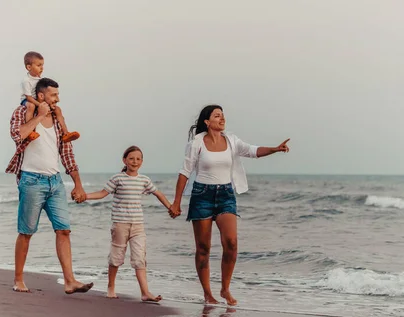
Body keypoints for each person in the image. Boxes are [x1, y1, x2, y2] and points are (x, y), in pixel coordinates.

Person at [169, 105, 290, 306]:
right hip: (202, 195)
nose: (222, 118)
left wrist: (275, 149)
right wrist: (176, 202)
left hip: (226, 195)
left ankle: (225, 288)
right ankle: (208, 293)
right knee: (203, 248)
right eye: (217, 116)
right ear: (207, 121)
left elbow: (252, 151)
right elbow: (185, 172)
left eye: (223, 115)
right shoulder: (196, 143)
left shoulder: (232, 140)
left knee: (231, 243)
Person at [5, 77, 93, 294]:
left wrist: (77, 184)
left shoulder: (57, 117)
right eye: (54, 95)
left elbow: (67, 152)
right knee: (26, 232)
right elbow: (18, 135)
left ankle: (70, 280)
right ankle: (18, 279)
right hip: (31, 180)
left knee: (64, 230)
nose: (58, 99)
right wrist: (40, 115)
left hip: (55, 182)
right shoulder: (22, 111)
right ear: (41, 96)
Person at [83, 146, 171, 302]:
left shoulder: (144, 180)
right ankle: (111, 287)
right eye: (131, 158)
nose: (135, 161)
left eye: (138, 159)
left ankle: (145, 292)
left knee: (139, 259)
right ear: (125, 160)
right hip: (120, 225)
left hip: (138, 226)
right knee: (116, 258)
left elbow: (158, 193)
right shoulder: (118, 178)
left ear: (142, 162)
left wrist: (171, 208)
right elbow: (102, 193)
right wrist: (85, 196)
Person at [20, 51, 80, 143]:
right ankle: (30, 132)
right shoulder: (26, 81)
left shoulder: (39, 79)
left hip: (37, 100)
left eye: (42, 65)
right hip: (28, 100)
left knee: (58, 110)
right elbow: (28, 98)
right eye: (39, 65)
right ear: (29, 67)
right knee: (31, 106)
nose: (42, 68)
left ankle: (66, 133)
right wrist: (40, 105)